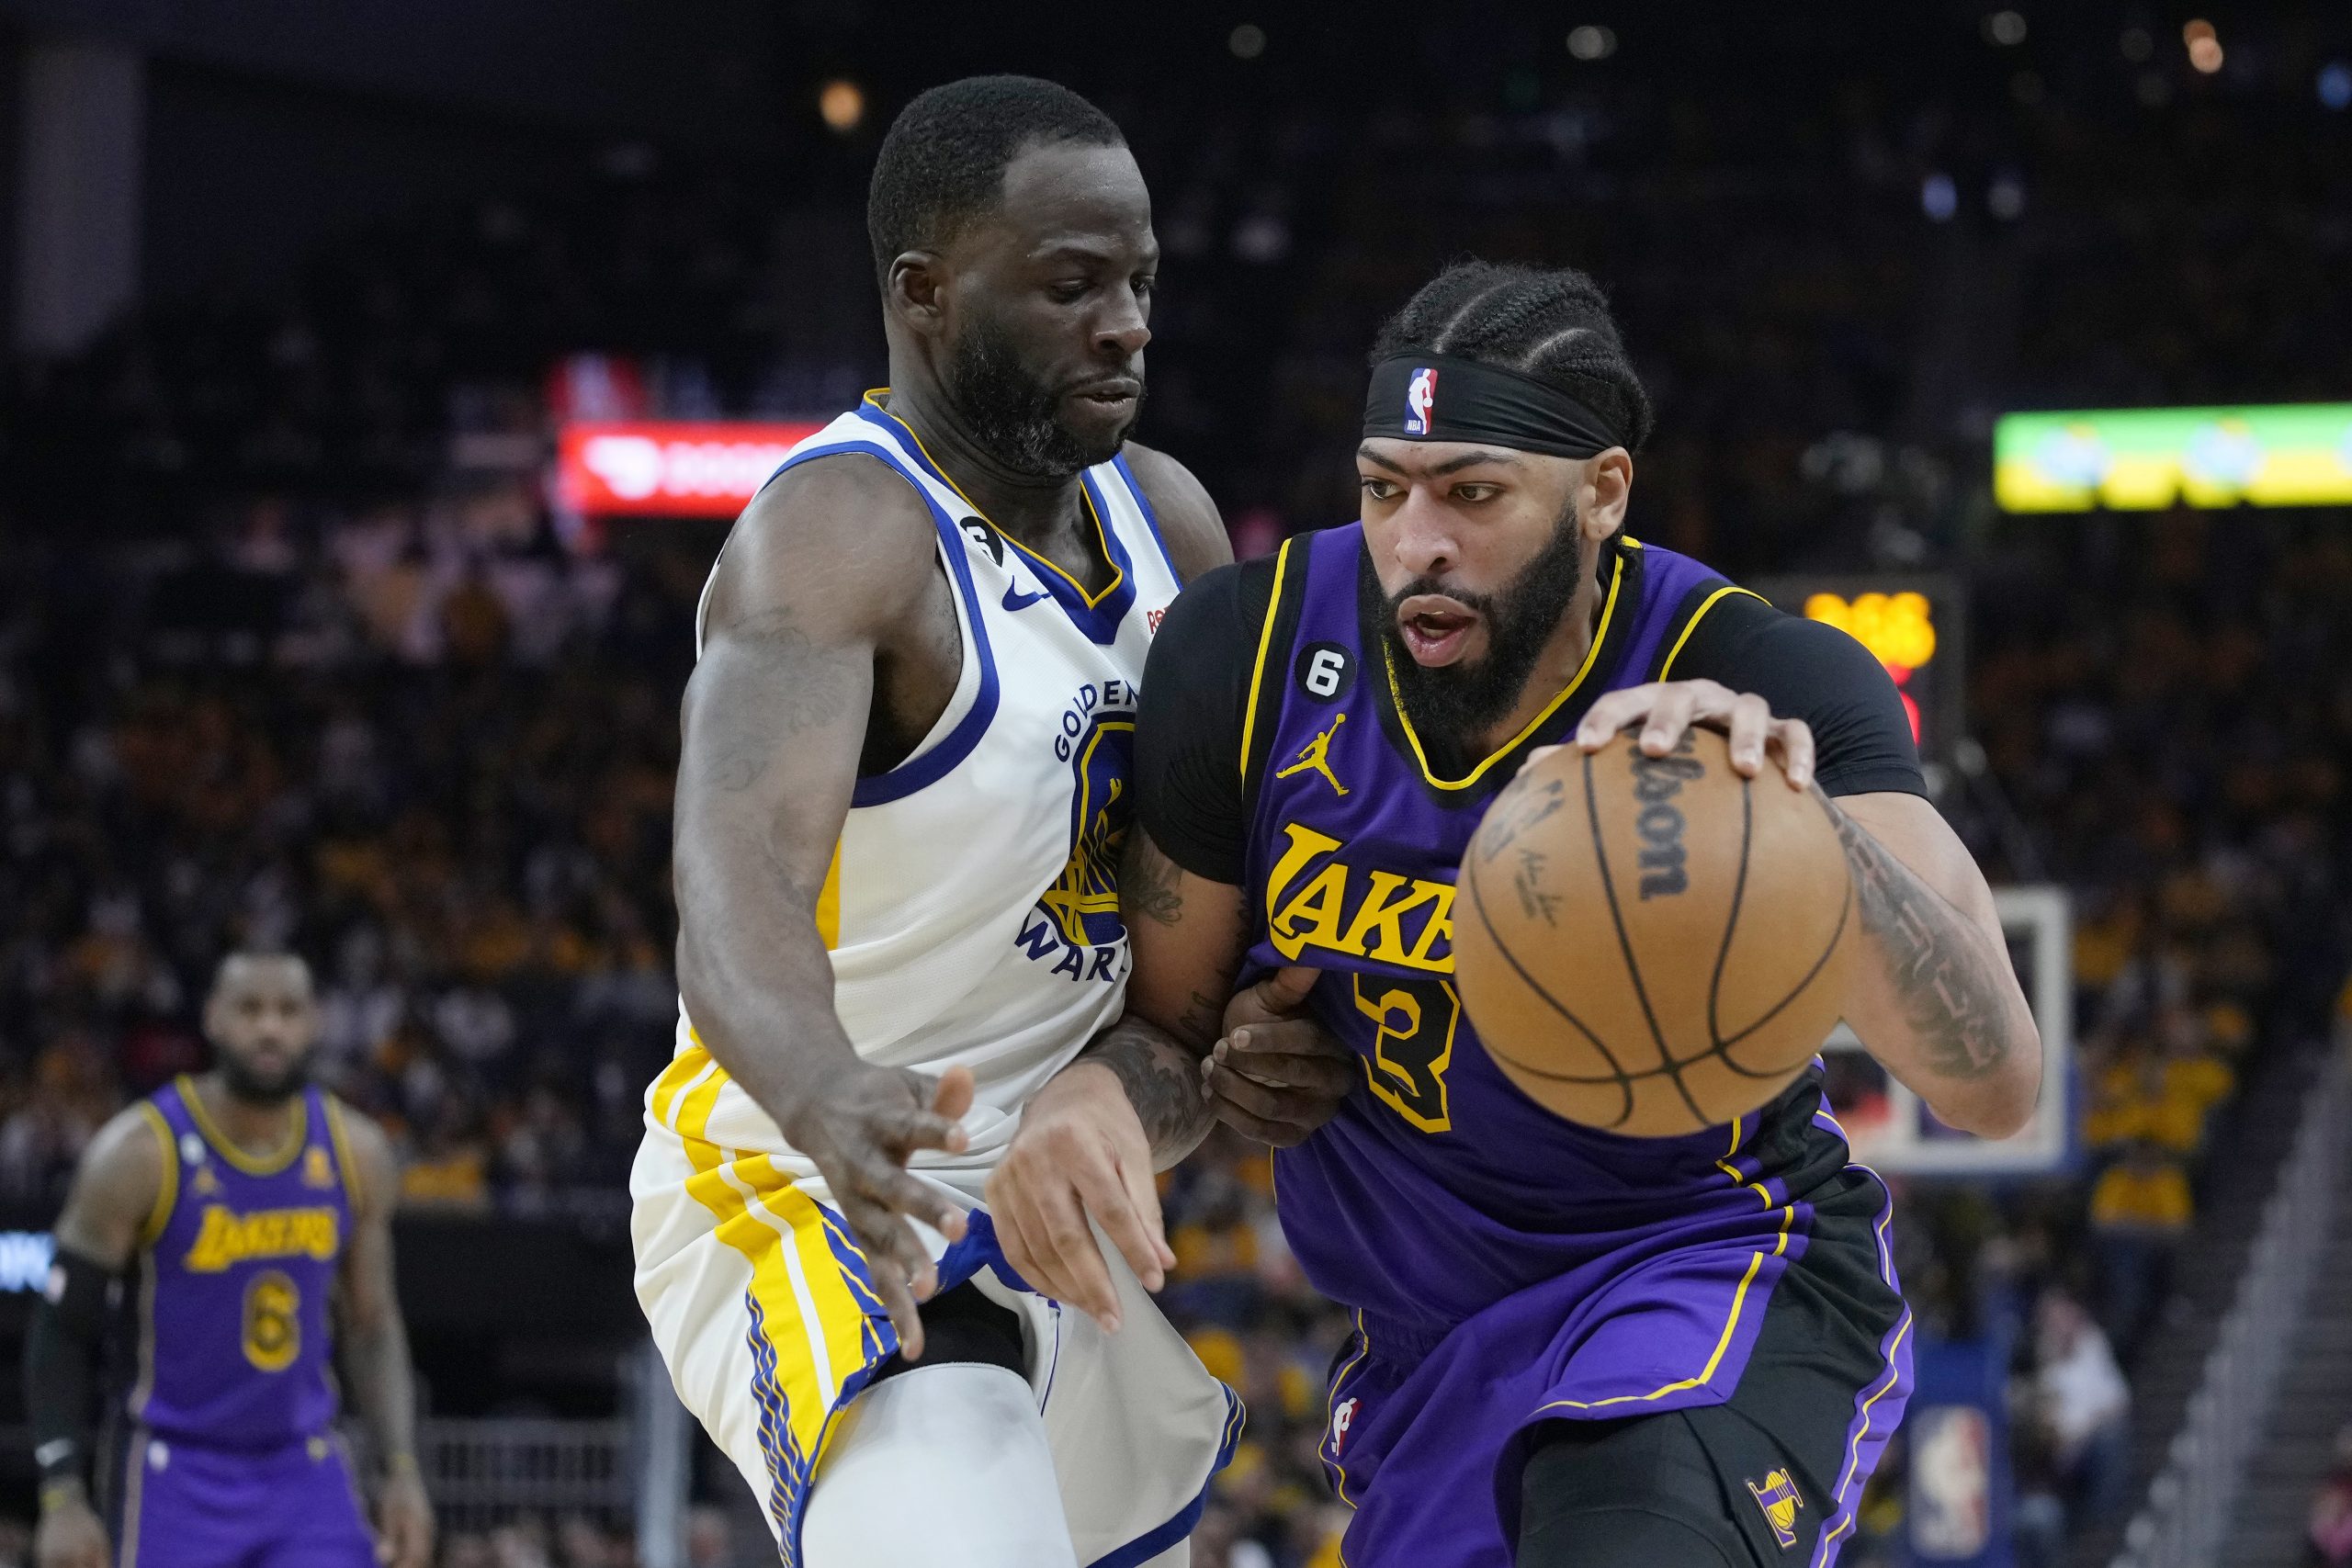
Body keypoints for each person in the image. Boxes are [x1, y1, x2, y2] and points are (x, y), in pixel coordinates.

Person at [996, 260, 2044, 1566]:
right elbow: (1175, 1032)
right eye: (1385, 488)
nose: (1416, 542)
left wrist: (1802, 832)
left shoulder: (1748, 672)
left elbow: (1995, 1078)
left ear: (1602, 491)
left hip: (1705, 1264)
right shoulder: (1248, 656)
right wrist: (1113, 1097)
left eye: (1473, 493)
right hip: (1428, 1336)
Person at [631, 74, 1327, 1568]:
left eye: (1141, 282)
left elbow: (1185, 954)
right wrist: (828, 1092)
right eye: (1073, 285)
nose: (1127, 322)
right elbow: (732, 887)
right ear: (927, 295)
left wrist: (1231, 1047)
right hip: (805, 1178)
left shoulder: (1173, 526)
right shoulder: (840, 539)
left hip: (1044, 1201)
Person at [24, 950, 433, 1568]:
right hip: (173, 1464)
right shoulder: (138, 1153)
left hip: (303, 1461)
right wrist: (62, 1494)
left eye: (288, 1009)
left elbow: (373, 1326)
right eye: (249, 1008)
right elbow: (62, 1327)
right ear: (213, 1019)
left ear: (315, 1022)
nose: (269, 1027)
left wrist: (400, 1468)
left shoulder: (358, 1152)